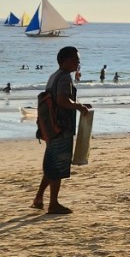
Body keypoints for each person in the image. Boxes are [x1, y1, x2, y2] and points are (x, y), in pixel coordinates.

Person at [32, 46, 92, 215]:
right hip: (61, 127)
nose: (78, 62)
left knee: (51, 164)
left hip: (51, 127)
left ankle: (38, 198)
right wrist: (79, 107)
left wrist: (79, 104)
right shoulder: (65, 77)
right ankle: (53, 204)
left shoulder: (54, 76)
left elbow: (60, 99)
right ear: (65, 60)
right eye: (75, 59)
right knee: (58, 166)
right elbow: (62, 101)